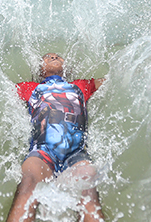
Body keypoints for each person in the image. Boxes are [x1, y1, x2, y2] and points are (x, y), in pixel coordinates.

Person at [7, 53, 106, 222]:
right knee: (28, 182)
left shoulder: (80, 86)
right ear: (40, 69)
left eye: (58, 56)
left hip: (77, 154)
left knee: (88, 186)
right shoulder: (30, 88)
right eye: (48, 57)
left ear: (65, 66)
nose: (53, 57)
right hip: (42, 153)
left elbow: (110, 80)